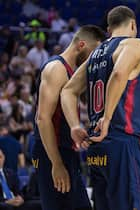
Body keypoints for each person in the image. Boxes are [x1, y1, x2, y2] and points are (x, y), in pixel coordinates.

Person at [60, 6, 140, 210]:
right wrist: (107, 118)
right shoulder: (134, 44)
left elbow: (68, 90)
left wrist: (74, 126)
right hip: (121, 141)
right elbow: (118, 74)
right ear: (133, 24)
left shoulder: (96, 54)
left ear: (109, 29)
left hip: (96, 147)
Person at [32, 25, 106, 210]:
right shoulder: (56, 68)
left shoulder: (71, 73)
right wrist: (56, 163)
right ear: (81, 45)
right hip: (51, 151)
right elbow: (42, 119)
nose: (94, 58)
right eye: (94, 52)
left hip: (66, 150)